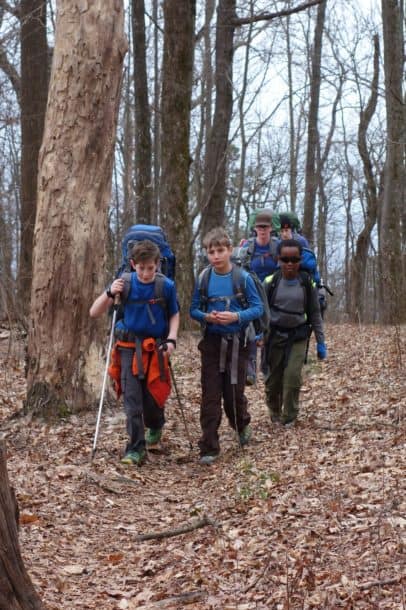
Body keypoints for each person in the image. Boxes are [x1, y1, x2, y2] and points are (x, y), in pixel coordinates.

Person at [90, 240, 179, 465]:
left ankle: (156, 425)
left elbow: (174, 315)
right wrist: (110, 292)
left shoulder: (165, 286)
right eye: (141, 268)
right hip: (128, 348)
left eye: (151, 267)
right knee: (132, 401)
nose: (146, 272)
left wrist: (172, 340)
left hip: (156, 349)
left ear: (158, 264)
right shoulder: (124, 284)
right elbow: (94, 312)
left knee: (152, 398)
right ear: (133, 264)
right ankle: (135, 448)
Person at [190, 227, 263, 465]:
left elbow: (257, 308)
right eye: (211, 252)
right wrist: (206, 317)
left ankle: (241, 425)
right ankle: (209, 446)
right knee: (210, 395)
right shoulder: (203, 278)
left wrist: (236, 317)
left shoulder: (242, 278)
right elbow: (193, 309)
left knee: (233, 393)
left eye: (220, 250)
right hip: (211, 344)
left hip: (237, 344)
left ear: (230, 250)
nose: (216, 256)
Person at [263, 239, 327, 425]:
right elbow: (260, 311)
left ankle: (289, 416)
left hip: (298, 335)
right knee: (272, 382)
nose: (290, 263)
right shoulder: (271, 282)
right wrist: (258, 335)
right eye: (285, 259)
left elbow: (315, 313)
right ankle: (274, 411)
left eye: (294, 259)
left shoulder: (307, 283)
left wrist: (321, 342)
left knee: (292, 377)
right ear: (279, 260)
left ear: (300, 260)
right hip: (274, 336)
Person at [241, 210, 279, 385]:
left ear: (271, 228)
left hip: (272, 294)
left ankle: (266, 366)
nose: (262, 230)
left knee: (268, 328)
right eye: (259, 227)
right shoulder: (247, 248)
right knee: (250, 329)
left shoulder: (277, 247)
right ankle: (250, 368)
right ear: (255, 229)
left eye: (265, 227)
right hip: (252, 294)